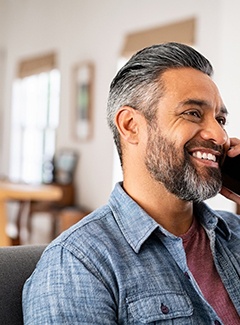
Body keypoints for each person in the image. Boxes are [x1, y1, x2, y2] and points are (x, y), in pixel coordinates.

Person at [22, 43, 240, 324]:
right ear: (130, 126)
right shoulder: (77, 263)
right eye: (193, 113)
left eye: (220, 119)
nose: (219, 135)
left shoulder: (234, 234)